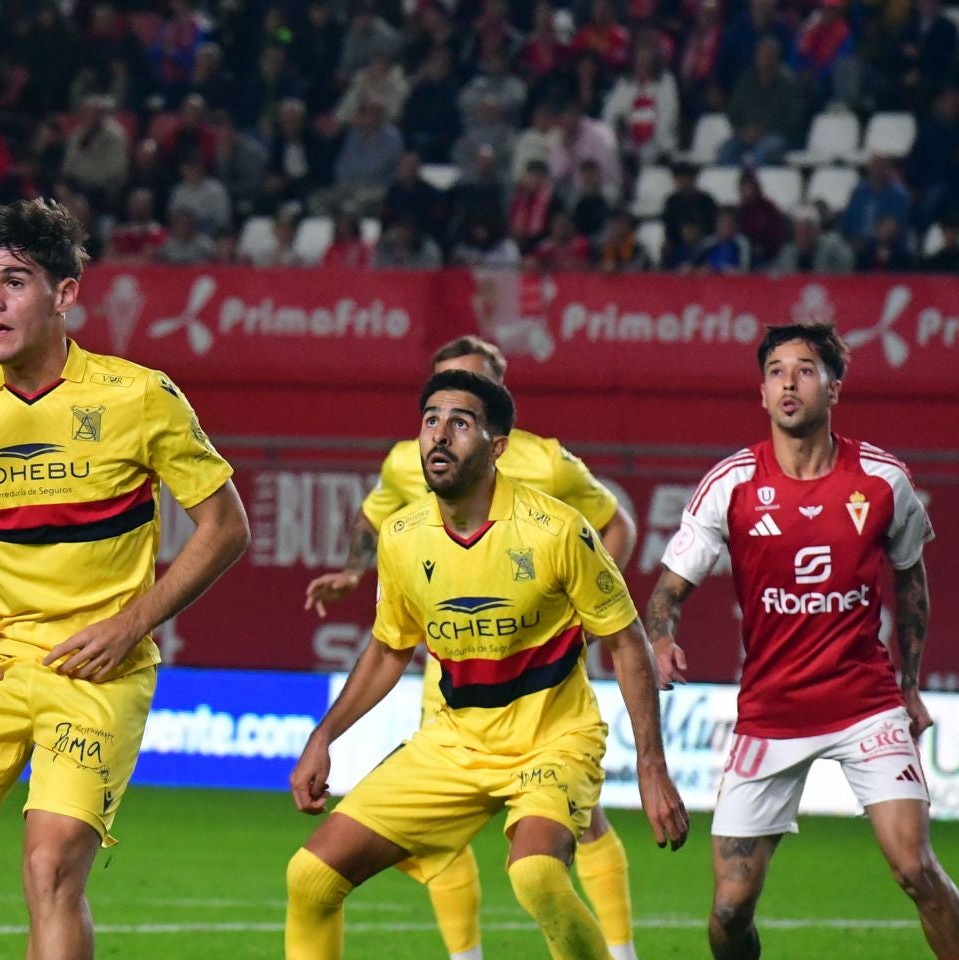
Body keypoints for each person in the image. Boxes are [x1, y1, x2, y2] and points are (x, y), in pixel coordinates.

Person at [0, 198, 250, 960]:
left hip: (96, 673)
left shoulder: (139, 397)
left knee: (51, 869)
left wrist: (132, 623)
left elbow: (226, 528)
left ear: (65, 294)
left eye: (15, 281)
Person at [285, 370, 689, 960]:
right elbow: (389, 648)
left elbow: (627, 643)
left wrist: (652, 769)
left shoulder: (556, 530)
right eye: (430, 421)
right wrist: (324, 736)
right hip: (456, 743)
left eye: (460, 423)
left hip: (554, 740)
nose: (439, 436)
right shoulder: (402, 536)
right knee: (311, 878)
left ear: (497, 446)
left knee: (536, 877)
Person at [644, 324, 959, 960]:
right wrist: (662, 639)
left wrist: (909, 686)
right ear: (762, 393)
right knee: (729, 908)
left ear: (834, 388)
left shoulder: (884, 480)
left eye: (805, 369)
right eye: (776, 371)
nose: (789, 382)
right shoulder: (732, 483)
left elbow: (911, 584)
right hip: (770, 714)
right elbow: (664, 596)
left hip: (865, 704)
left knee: (915, 867)